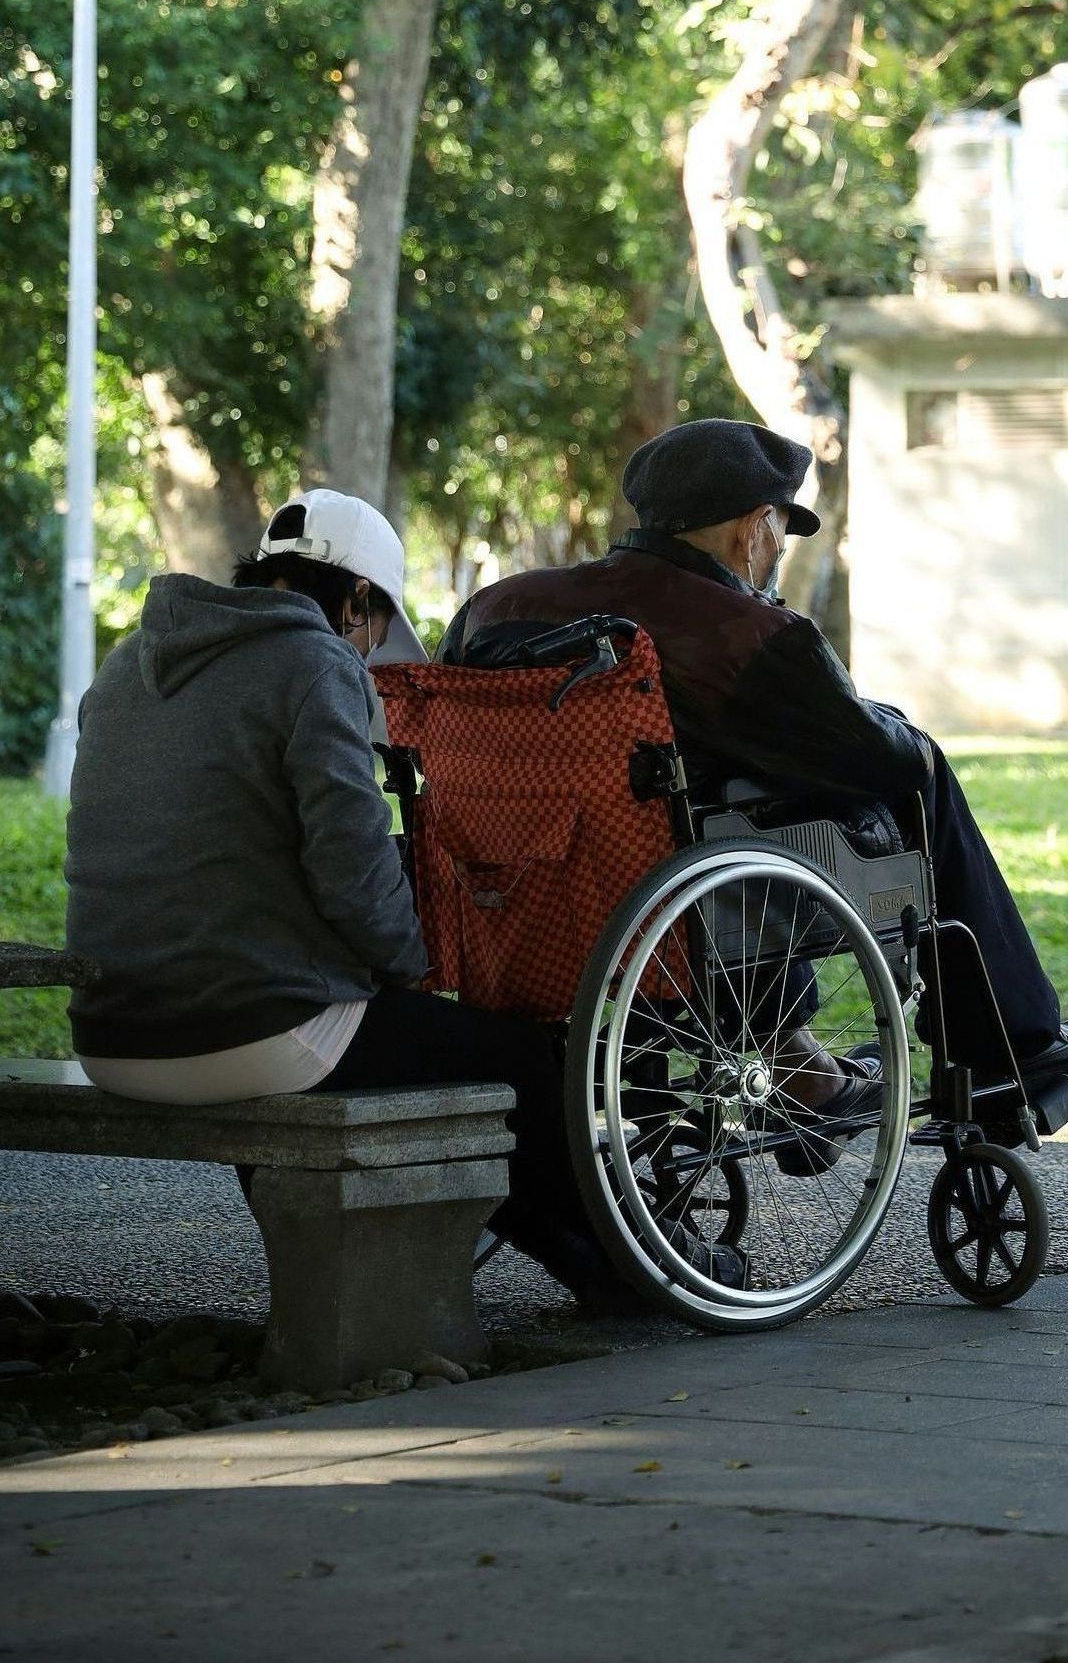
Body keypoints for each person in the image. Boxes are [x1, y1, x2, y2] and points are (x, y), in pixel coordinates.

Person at [65, 487, 640, 1299]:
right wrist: (407, 962)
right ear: (358, 598)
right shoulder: (315, 660)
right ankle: (621, 1270)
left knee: (415, 1049)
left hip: (112, 1034)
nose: (369, 652)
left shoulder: (126, 664)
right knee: (519, 1063)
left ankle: (575, 1263)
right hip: (249, 1032)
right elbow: (352, 863)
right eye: (372, 630)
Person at [438, 418, 1068, 1103]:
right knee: (921, 774)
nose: (775, 554)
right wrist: (903, 730)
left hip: (519, 892)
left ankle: (798, 1054)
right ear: (753, 528)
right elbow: (883, 763)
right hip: (675, 900)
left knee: (707, 812)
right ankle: (1011, 1041)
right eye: (780, 534)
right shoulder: (747, 633)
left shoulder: (495, 608)